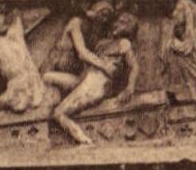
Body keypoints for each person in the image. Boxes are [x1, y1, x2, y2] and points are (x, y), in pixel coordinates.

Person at [52, 10, 140, 146]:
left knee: (59, 113)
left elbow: (134, 66)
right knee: (48, 79)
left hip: (97, 83)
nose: (117, 24)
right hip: (87, 80)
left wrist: (130, 88)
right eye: (118, 21)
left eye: (123, 23)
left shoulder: (124, 43)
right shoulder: (104, 43)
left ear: (129, 29)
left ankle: (85, 141)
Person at [160, 0, 196, 106]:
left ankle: (192, 92)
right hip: (184, 76)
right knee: (172, 56)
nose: (174, 14)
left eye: (179, 11)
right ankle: (175, 91)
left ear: (188, 14)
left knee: (177, 57)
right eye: (175, 10)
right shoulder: (177, 32)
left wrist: (171, 42)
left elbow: (186, 49)